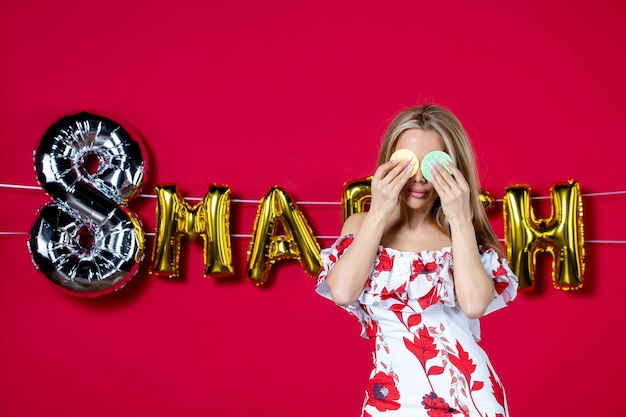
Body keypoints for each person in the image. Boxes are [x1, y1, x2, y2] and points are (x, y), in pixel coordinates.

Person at [316, 104, 518, 416]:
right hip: (390, 398)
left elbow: (475, 305)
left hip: (468, 398)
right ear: (388, 163)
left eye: (433, 166)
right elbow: (342, 291)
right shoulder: (362, 226)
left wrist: (461, 219)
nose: (420, 179)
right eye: (408, 165)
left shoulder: (461, 234)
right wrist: (380, 210)